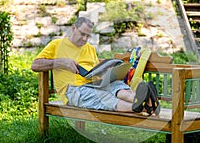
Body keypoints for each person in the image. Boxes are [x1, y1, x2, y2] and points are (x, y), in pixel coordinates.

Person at [31, 17, 159, 115]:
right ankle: (142, 105)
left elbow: (96, 71)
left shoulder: (90, 49)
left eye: (88, 36)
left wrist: (109, 71)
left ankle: (141, 100)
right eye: (82, 34)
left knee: (116, 85)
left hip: (95, 84)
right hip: (74, 90)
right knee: (103, 97)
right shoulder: (57, 45)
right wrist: (60, 62)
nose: (85, 39)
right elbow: (35, 65)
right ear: (73, 28)